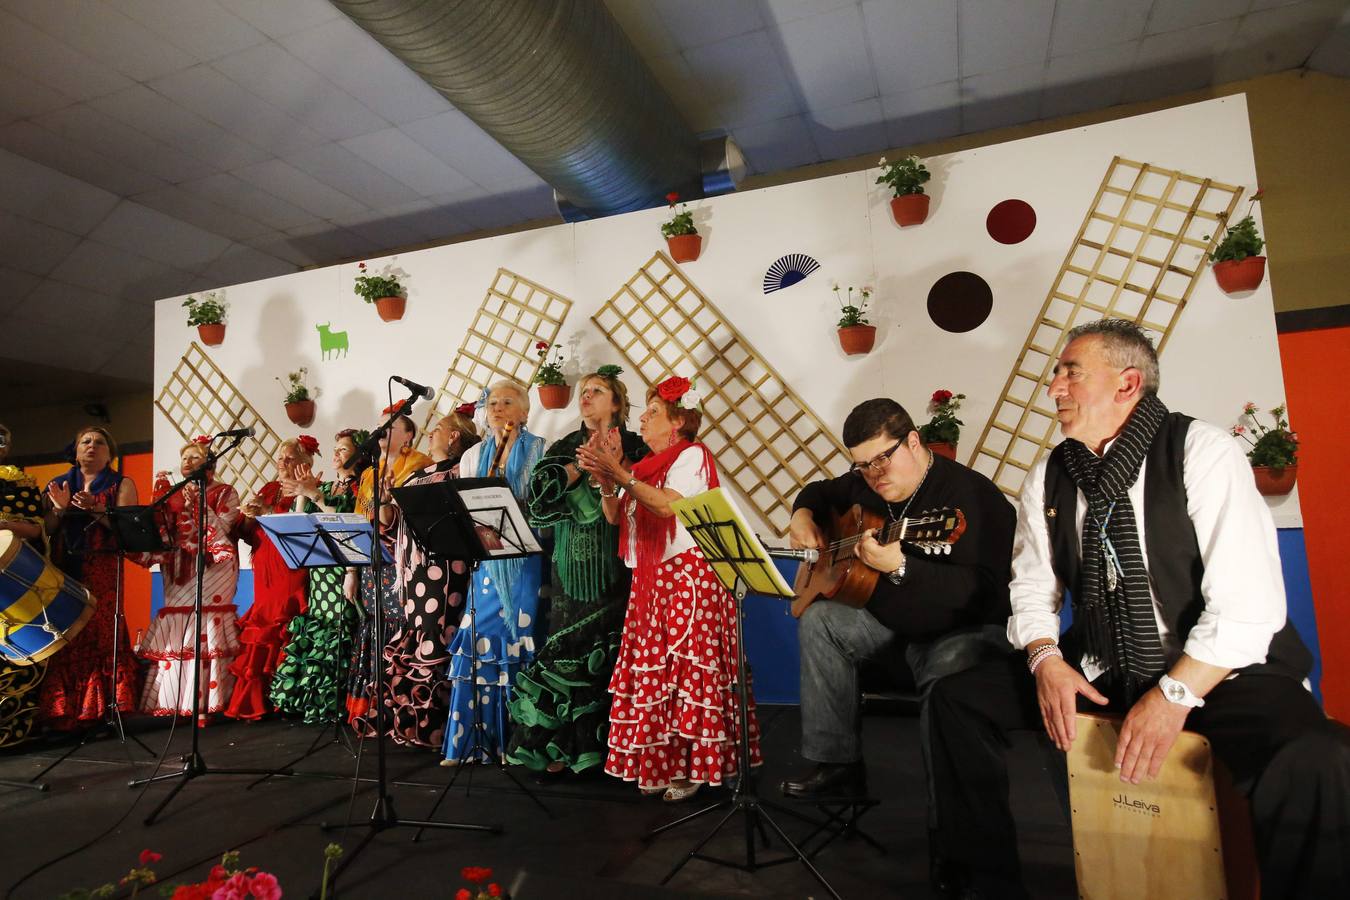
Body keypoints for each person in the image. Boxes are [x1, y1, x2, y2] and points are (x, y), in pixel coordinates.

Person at [927, 319, 1349, 898]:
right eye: (1057, 375)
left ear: (1127, 384)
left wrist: (1173, 694)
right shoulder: (1048, 476)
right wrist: (1046, 658)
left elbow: (1248, 608)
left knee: (1316, 755)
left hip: (1220, 669)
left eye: (1070, 373)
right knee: (955, 701)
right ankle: (982, 884)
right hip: (1103, 663)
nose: (1054, 388)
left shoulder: (1203, 451)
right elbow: (1030, 588)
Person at [777, 398, 1016, 818]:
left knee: (949, 677)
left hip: (959, 631)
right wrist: (801, 515)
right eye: (862, 465)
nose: (874, 475)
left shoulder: (973, 497)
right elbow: (819, 491)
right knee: (820, 619)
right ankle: (838, 766)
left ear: (913, 441)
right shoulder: (863, 484)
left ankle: (954, 820)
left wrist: (902, 567)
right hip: (893, 627)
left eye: (883, 459)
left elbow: (986, 593)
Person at [578, 375, 760, 802]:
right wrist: (609, 480)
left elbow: (666, 504)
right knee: (658, 675)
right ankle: (664, 761)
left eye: (654, 412)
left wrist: (617, 473)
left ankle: (695, 766)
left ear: (678, 423)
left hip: (688, 579)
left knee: (687, 673)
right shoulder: (642, 469)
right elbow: (612, 517)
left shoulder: (692, 456)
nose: (642, 418)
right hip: (651, 582)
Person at [507, 366, 647, 776]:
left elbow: (645, 498)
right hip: (568, 567)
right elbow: (538, 499)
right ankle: (561, 749)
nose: (586, 396)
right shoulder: (565, 445)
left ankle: (613, 750)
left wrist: (616, 466)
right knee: (566, 652)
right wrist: (578, 468)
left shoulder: (636, 446)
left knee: (611, 653)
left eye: (596, 390)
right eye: (583, 391)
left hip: (616, 564)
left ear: (616, 402)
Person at [441, 381, 545, 764]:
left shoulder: (540, 450)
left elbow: (540, 507)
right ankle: (469, 743)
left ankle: (516, 745)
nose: (498, 408)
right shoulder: (471, 457)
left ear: (524, 411)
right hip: (486, 561)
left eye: (507, 402)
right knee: (477, 639)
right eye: (493, 403)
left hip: (523, 560)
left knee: (518, 638)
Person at [383, 408, 480, 748]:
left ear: (454, 435)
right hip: (414, 571)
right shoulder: (415, 475)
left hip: (446, 568)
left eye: (438, 428)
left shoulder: (459, 472)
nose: (430, 433)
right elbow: (392, 524)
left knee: (438, 633)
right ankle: (413, 722)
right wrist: (385, 500)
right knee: (417, 633)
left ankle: (437, 724)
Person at [39, 426, 141, 729]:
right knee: (66, 631)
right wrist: (57, 511)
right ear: (76, 449)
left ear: (110, 452)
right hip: (64, 566)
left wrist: (95, 508)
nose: (92, 447)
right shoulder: (57, 484)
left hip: (102, 566)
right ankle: (64, 711)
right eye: (86, 442)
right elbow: (46, 529)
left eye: (99, 443)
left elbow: (128, 530)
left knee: (99, 630)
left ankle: (101, 710)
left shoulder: (121, 483)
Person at [136, 436, 242, 721]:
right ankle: (175, 699)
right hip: (179, 567)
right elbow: (162, 535)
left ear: (210, 463)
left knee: (207, 623)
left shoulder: (225, 492)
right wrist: (158, 507)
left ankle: (211, 701)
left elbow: (224, 527)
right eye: (185, 457)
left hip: (214, 569)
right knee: (179, 623)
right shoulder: (173, 492)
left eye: (195, 457)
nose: (188, 461)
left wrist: (198, 504)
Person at [269, 428, 368, 725]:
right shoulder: (324, 487)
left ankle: (336, 703)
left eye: (343, 449)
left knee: (340, 632)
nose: (336, 453)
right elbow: (300, 521)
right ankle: (310, 701)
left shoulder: (358, 488)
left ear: (358, 455)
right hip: (320, 570)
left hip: (343, 568)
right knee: (318, 631)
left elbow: (347, 523)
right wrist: (302, 492)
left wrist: (352, 573)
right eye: (335, 448)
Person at [345, 407, 432, 731]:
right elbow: (357, 521)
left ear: (409, 435)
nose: (385, 430)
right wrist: (351, 571)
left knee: (400, 626)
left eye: (394, 426)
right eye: (382, 426)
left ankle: (398, 708)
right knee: (374, 623)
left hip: (404, 560)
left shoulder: (419, 464)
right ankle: (367, 704)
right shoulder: (368, 473)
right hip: (372, 560)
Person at [225, 435, 317, 720]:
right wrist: (251, 515)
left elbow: (300, 527)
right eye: (280, 457)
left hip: (290, 567)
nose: (282, 462)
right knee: (262, 623)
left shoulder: (310, 488)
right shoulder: (269, 488)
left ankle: (285, 696)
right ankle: (259, 699)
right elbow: (247, 531)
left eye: (290, 458)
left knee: (284, 620)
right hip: (265, 565)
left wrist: (266, 512)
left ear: (305, 463)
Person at [0, 423, 49, 747]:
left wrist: (4, 524)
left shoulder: (19, 481)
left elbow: (35, 530)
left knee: (13, 657)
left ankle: (8, 732)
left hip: (9, 580)